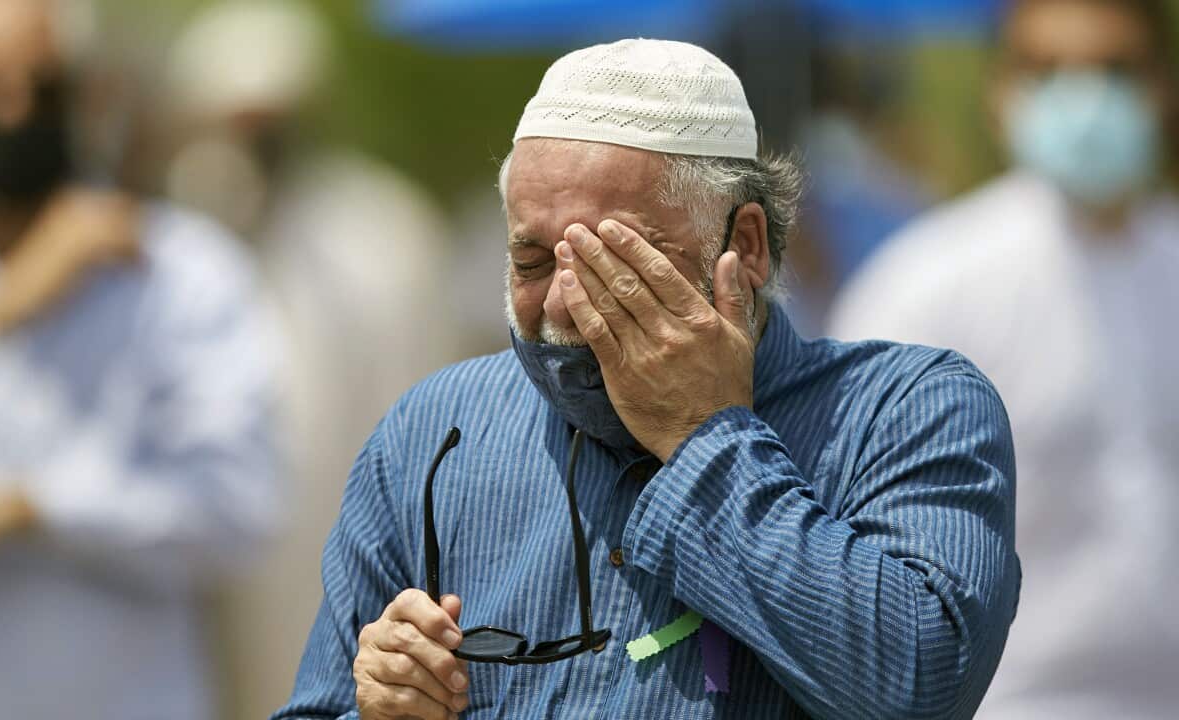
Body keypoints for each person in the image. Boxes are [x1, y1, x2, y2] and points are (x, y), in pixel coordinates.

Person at [274, 39, 1020, 719]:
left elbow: (921, 689)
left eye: (617, 261)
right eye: (533, 263)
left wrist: (705, 439)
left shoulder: (908, 410)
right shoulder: (436, 432)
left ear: (747, 245)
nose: (567, 303)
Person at [0, 1, 281, 718]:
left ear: (87, 91)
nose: (12, 117)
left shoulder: (180, 273)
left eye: (39, 90)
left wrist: (31, 508)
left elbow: (238, 512)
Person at [828, 0, 1179, 717]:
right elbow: (844, 532)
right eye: (1048, 71)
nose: (1085, 100)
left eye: (1113, 69)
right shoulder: (925, 287)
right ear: (1001, 93)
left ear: (1163, 85)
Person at [161, 3, 458, 716]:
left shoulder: (383, 228)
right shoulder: (189, 237)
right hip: (231, 582)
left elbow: (434, 412)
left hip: (367, 561)